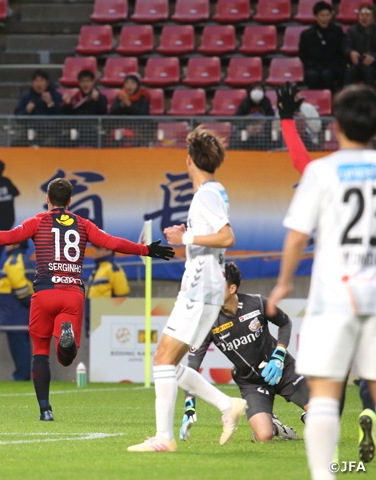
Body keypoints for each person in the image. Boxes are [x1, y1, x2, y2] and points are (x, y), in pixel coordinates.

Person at [0, 178, 175, 421]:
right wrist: (147, 250)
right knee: (67, 359)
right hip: (72, 293)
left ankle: (45, 409)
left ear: (48, 199)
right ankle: (66, 339)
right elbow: (112, 242)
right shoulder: (83, 224)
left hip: (44, 293)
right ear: (70, 201)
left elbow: (9, 237)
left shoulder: (37, 222)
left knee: (40, 352)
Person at [267, 84, 376, 478]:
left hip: (335, 296)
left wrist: (282, 284)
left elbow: (297, 234)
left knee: (326, 396)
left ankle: (325, 475)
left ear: (335, 124)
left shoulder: (323, 171)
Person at [127, 127, 247, 453]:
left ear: (189, 159)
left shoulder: (207, 194)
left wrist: (187, 238)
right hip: (201, 287)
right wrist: (187, 237)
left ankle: (164, 438)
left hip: (200, 291)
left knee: (162, 359)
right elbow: (212, 241)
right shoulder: (215, 191)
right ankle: (227, 406)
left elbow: (226, 237)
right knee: (170, 364)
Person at [180, 262, 307, 444]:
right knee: (264, 437)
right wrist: (189, 405)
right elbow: (192, 367)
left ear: (232, 288)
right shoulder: (207, 321)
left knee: (323, 416)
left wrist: (279, 355)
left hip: (282, 369)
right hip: (251, 382)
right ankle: (275, 426)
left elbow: (285, 323)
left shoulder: (257, 303)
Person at [0, 241, 33, 381]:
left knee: (19, 347)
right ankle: (23, 375)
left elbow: (18, 283)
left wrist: (27, 300)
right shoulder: (25, 259)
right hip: (20, 311)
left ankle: (21, 376)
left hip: (15, 311)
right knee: (22, 345)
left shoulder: (14, 260)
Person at [298, 1, 345, 92]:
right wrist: (314, 64)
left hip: (333, 66)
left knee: (327, 75)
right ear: (315, 16)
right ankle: (313, 101)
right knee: (313, 76)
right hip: (313, 66)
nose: (325, 18)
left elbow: (341, 52)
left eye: (327, 15)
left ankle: (330, 101)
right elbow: (303, 54)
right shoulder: (307, 34)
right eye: (322, 15)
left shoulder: (337, 31)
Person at [85, 246, 130, 336]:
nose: (95, 251)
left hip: (106, 322)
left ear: (109, 251)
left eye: (98, 249)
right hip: (94, 320)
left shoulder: (114, 269)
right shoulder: (98, 270)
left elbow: (122, 298)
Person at [231, 82, 274, 150]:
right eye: (255, 89)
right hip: (248, 128)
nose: (257, 91)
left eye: (259, 89)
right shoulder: (246, 101)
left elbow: (271, 118)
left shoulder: (266, 101)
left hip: (262, 130)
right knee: (235, 129)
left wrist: (263, 127)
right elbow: (237, 118)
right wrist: (246, 127)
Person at [343, 4, 376, 87]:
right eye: (362, 15)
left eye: (368, 15)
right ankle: (348, 98)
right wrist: (351, 52)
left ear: (373, 18)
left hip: (373, 65)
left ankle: (370, 99)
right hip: (357, 64)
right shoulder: (352, 30)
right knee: (349, 72)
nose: (364, 18)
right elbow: (345, 46)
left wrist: (373, 58)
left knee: (369, 72)